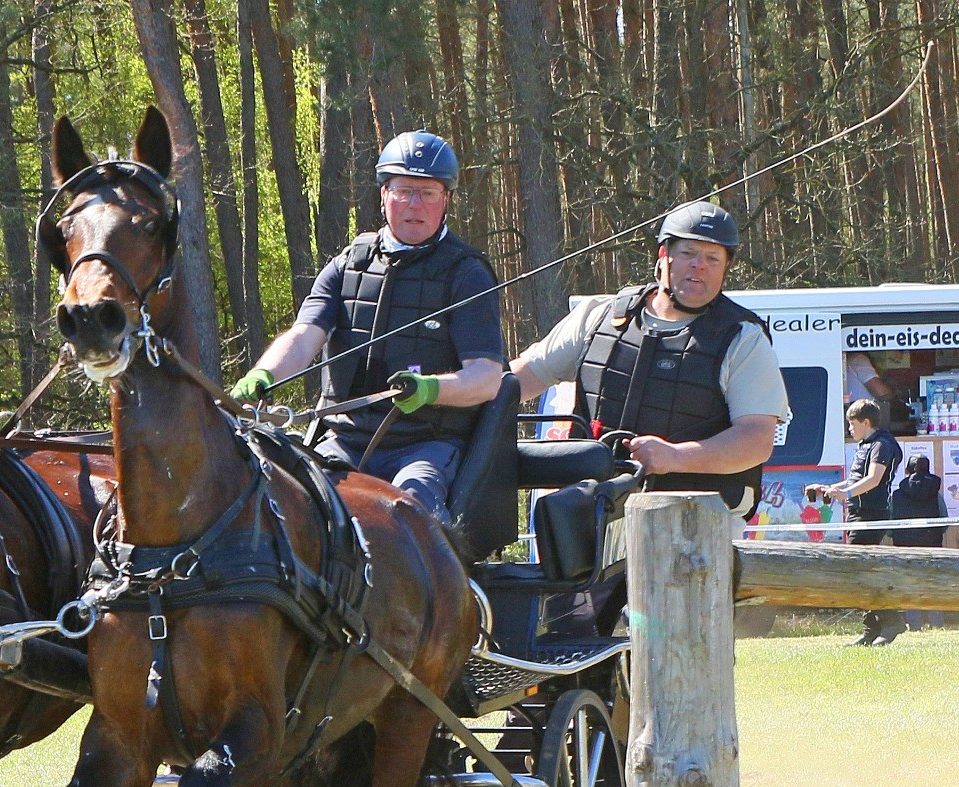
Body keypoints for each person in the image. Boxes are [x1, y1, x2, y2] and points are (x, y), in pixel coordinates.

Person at [229, 130, 504, 522]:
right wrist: (264, 374)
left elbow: (486, 378)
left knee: (410, 515)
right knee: (282, 509)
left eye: (428, 193)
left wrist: (429, 390)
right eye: (404, 191)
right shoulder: (347, 266)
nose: (415, 205)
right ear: (384, 195)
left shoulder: (467, 274)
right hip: (342, 442)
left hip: (425, 448)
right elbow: (305, 336)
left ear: (446, 200)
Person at [509, 201, 787, 519]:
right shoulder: (599, 316)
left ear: (725, 268)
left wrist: (675, 457)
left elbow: (755, 440)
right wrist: (465, 398)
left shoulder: (743, 339)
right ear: (663, 255)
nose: (699, 265)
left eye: (713, 258)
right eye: (688, 253)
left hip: (697, 524)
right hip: (594, 513)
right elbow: (524, 377)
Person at [825, 399, 905, 645]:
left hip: (871, 513)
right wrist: (829, 489)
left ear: (866, 422)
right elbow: (854, 480)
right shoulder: (866, 445)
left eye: (852, 424)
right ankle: (871, 630)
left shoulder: (882, 444)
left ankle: (892, 621)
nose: (850, 429)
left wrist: (846, 494)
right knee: (863, 571)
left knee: (858, 571)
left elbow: (873, 480)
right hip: (857, 513)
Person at [889, 452, 946, 630]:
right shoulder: (936, 495)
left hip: (904, 548)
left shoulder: (895, 496)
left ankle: (914, 625)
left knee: (909, 585)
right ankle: (937, 625)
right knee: (933, 584)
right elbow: (944, 522)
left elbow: (890, 526)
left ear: (906, 471)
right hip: (933, 547)